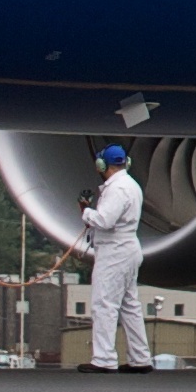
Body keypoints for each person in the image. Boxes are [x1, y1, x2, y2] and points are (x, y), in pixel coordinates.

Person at [81, 143, 154, 373]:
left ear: (102, 164)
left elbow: (104, 220)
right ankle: (140, 358)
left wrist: (85, 209)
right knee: (129, 305)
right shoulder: (131, 185)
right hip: (128, 248)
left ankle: (104, 359)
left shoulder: (116, 189)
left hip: (114, 251)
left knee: (104, 304)